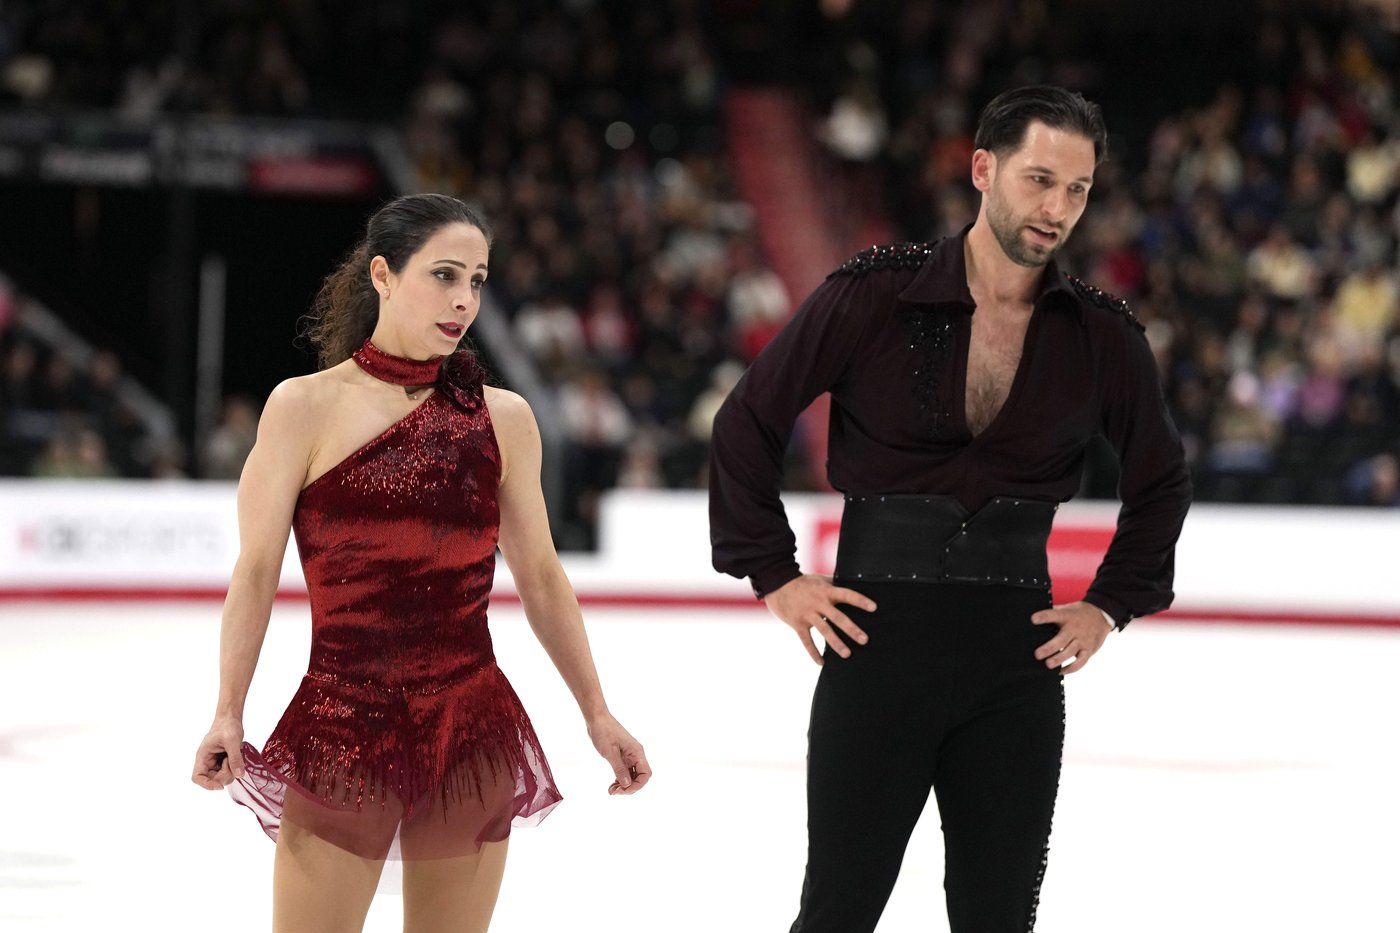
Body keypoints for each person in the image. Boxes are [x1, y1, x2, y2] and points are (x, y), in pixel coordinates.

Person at [708, 86, 1191, 932]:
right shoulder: (870, 295)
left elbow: (1162, 480)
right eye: (1040, 180)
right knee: (837, 912)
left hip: (1017, 663)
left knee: (999, 917)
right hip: (879, 645)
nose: (1057, 208)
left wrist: (1111, 603)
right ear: (983, 169)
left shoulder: (1102, 335)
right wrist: (775, 574)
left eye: (1077, 189)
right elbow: (747, 420)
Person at [191, 193, 650, 933]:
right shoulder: (302, 407)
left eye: (477, 279)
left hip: (469, 731)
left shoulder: (504, 419)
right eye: (444, 274)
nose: (464, 299)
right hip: (342, 725)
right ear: (382, 274)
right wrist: (227, 709)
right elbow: (254, 571)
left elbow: (540, 576)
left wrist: (597, 713)